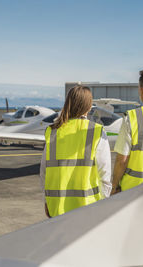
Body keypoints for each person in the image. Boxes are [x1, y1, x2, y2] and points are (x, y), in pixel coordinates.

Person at [40, 85, 112, 217]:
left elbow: (44, 172)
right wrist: (104, 203)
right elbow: (105, 175)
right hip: (88, 209)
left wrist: (46, 201)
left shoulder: (52, 132)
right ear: (89, 106)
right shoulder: (96, 131)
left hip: (57, 207)